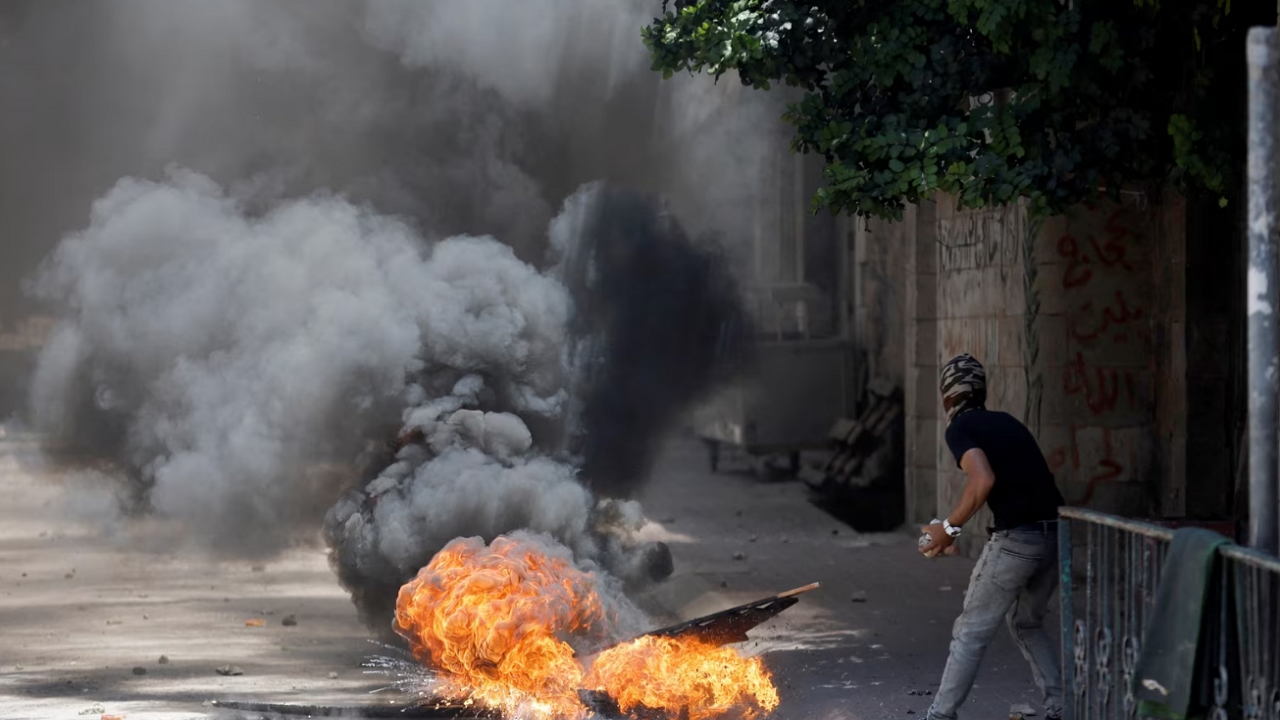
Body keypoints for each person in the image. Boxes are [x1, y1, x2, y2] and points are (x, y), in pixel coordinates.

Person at [920, 353, 1066, 720]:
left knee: (970, 630)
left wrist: (948, 530)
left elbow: (982, 479)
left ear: (948, 398)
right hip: (1056, 536)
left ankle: (940, 715)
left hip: (1018, 540)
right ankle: (1062, 706)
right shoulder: (1008, 423)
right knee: (1026, 622)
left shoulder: (960, 429)